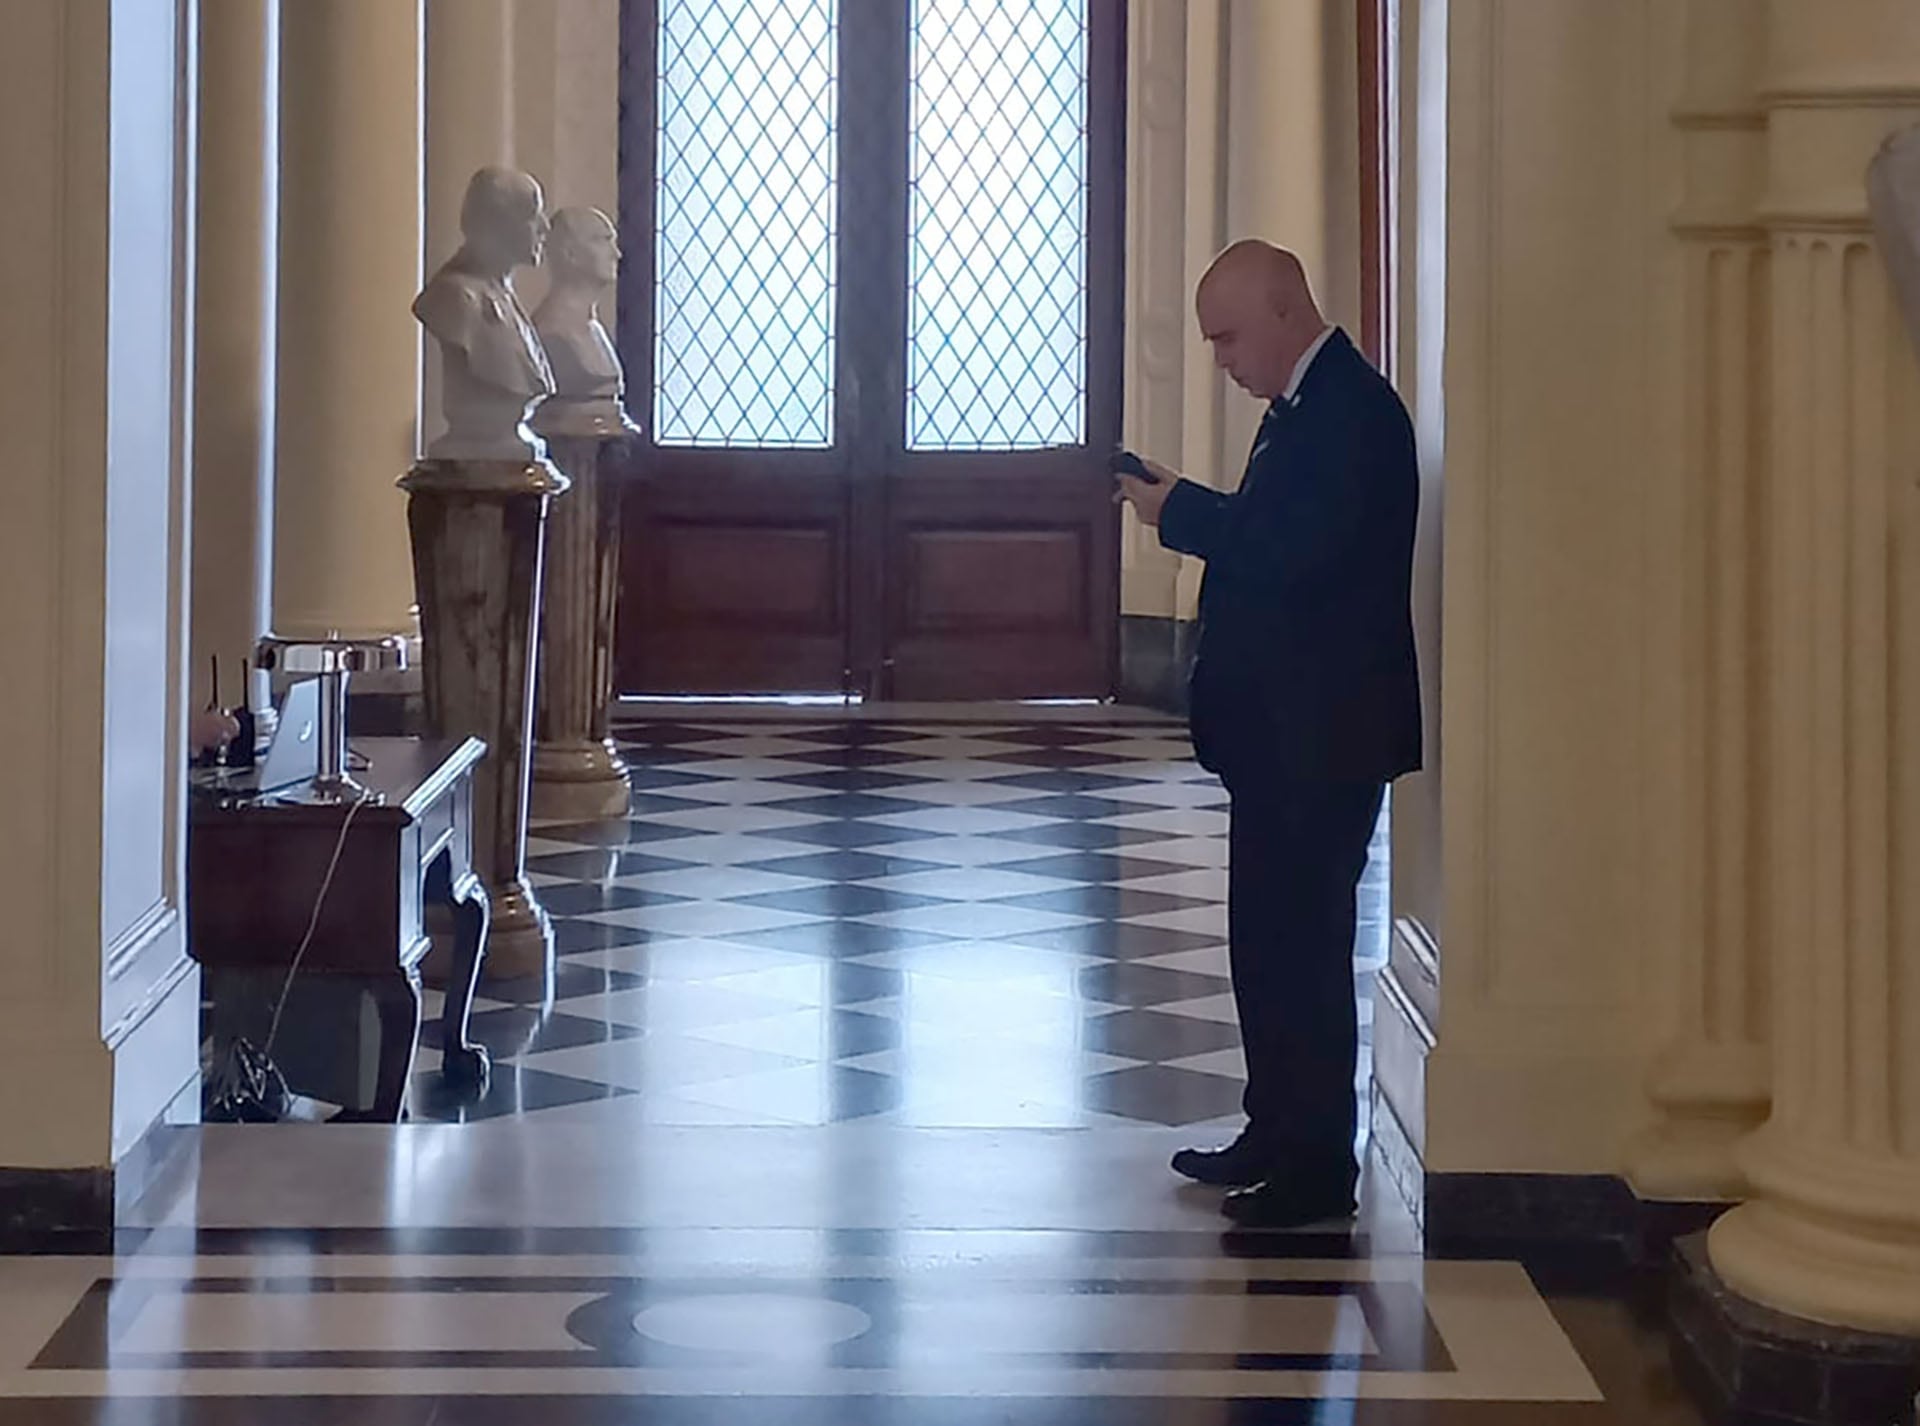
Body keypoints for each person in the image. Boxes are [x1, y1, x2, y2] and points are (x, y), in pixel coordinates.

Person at [1114, 240, 1422, 1230]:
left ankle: (1315, 1164)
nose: (1222, 360)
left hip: (1322, 733)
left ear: (1286, 310)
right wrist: (1193, 505)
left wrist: (1179, 513)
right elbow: (1276, 528)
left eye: (1229, 337)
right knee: (1266, 940)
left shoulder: (1352, 412)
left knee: (1305, 946)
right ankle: (1273, 1126)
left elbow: (1295, 553)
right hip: (1283, 732)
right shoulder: (1305, 407)